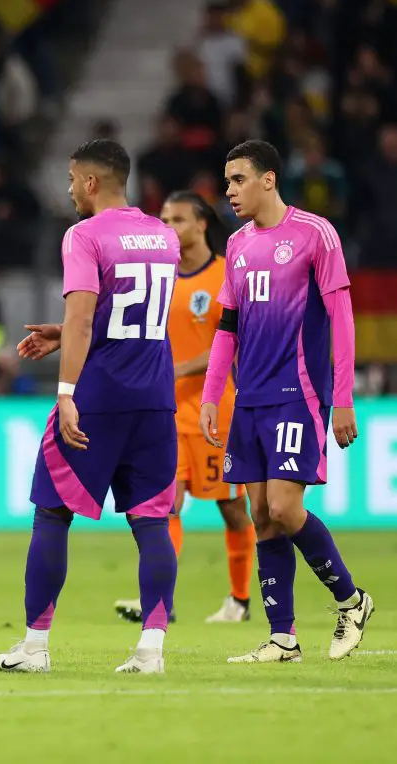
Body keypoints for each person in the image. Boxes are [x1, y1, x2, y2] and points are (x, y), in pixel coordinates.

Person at [0, 139, 181, 675]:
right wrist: (67, 334)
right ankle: (151, 651)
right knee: (151, 522)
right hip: (154, 397)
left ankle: (34, 647)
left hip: (98, 396)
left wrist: (66, 393)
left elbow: (83, 318)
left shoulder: (83, 234)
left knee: (51, 514)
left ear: (92, 182)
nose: (70, 189)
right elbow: (134, 313)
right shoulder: (163, 234)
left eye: (73, 179)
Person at [202, 140, 373, 663]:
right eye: (227, 181)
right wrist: (213, 393)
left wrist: (342, 398)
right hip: (249, 396)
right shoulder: (236, 245)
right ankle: (283, 637)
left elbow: (341, 319)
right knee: (260, 513)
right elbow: (228, 326)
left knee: (283, 505)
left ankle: (351, 600)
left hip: (297, 393)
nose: (229, 190)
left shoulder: (315, 234)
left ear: (268, 179)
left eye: (237, 180)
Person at [113, 190, 256, 625]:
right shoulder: (159, 276)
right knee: (163, 506)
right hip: (165, 415)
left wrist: (174, 369)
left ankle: (240, 599)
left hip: (215, 413)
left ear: (201, 225)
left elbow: (231, 345)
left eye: (177, 219)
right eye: (164, 218)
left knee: (233, 509)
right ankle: (161, 602)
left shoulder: (225, 276)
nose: (168, 226)